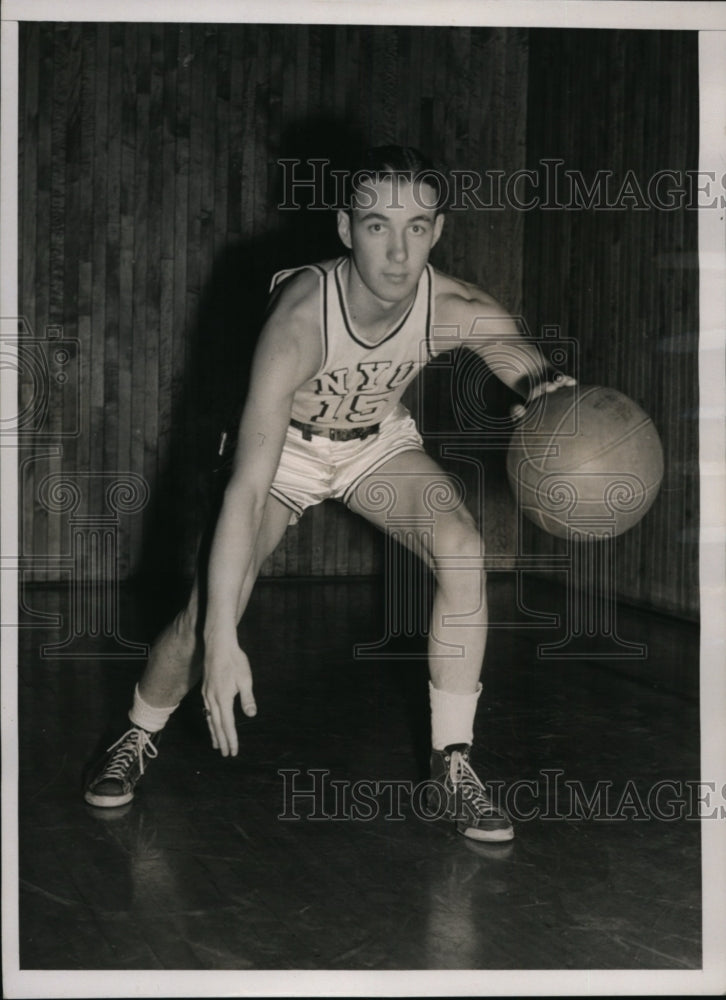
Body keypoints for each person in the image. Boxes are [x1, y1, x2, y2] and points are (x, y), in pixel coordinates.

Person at [84, 146, 575, 842]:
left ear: (437, 230)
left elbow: (525, 366)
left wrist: (547, 394)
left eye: (417, 227)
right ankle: (136, 734)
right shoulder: (299, 321)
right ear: (346, 229)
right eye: (378, 226)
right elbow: (248, 491)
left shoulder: (457, 307)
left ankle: (453, 759)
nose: (398, 252)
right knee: (204, 618)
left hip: (376, 443)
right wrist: (225, 640)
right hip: (284, 453)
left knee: (463, 548)